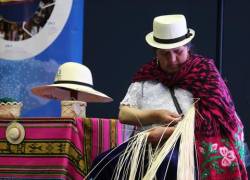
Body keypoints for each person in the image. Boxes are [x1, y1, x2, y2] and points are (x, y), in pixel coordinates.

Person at [87, 14, 248, 180]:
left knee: (166, 165)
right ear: (155, 53)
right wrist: (156, 115)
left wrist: (168, 133)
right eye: (164, 54)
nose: (171, 60)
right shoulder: (146, 77)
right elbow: (124, 114)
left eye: (178, 52)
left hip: (188, 148)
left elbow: (217, 122)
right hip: (147, 143)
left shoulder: (206, 75)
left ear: (188, 47)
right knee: (103, 164)